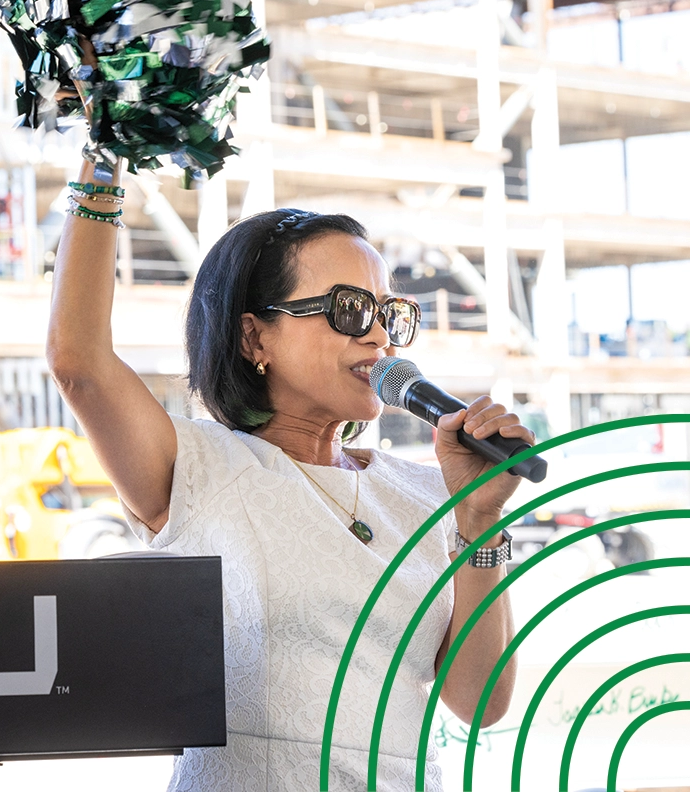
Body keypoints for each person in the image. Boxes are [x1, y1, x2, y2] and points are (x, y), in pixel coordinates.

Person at [46, 162, 532, 791]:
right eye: (349, 309)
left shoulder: (430, 492)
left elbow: (481, 702)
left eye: (388, 313)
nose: (379, 336)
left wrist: (479, 518)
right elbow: (79, 362)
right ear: (255, 339)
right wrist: (108, 151)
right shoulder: (196, 468)